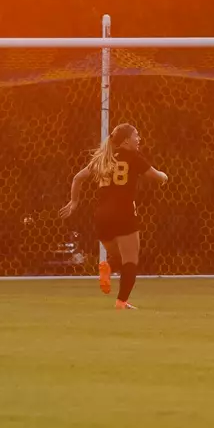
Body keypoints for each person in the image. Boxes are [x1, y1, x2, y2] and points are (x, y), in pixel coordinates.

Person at [60, 122, 168, 310]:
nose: (139, 139)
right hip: (124, 212)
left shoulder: (104, 158)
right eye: (136, 136)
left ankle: (108, 268)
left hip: (101, 216)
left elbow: (78, 178)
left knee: (118, 257)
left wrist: (74, 202)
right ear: (126, 141)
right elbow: (156, 176)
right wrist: (165, 177)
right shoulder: (133, 157)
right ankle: (121, 302)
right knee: (130, 260)